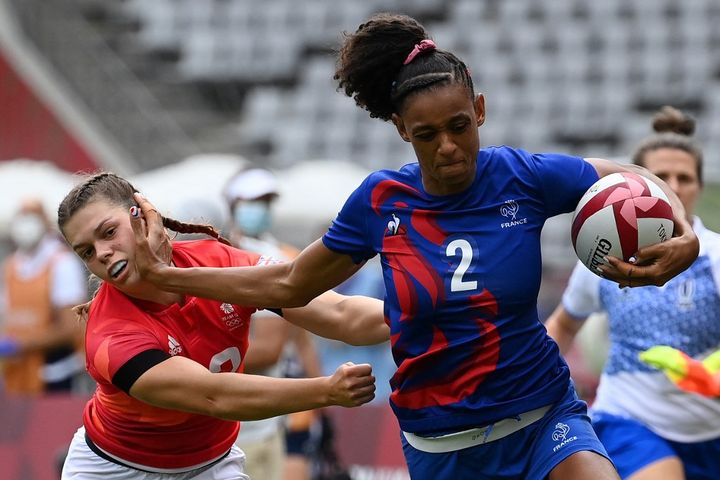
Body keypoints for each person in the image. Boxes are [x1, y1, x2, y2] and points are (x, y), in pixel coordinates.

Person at [128, 14, 700, 480]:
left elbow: (630, 176)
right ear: (402, 130)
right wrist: (170, 276)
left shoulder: (522, 176)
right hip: (442, 441)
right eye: (428, 135)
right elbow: (288, 284)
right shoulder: (381, 202)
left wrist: (686, 237)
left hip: (543, 415)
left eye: (459, 125)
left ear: (479, 110)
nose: (448, 146)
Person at [55, 172, 387, 479]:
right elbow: (215, 396)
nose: (102, 253)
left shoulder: (219, 261)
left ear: (141, 213)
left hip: (210, 464)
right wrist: (326, 390)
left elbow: (341, 314)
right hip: (116, 469)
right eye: (86, 251)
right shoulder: (109, 334)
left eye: (108, 232)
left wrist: (423, 313)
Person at [544, 106, 720, 480]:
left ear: (699, 187)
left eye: (684, 177)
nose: (674, 186)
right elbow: (563, 324)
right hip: (628, 421)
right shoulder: (602, 254)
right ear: (640, 182)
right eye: (662, 176)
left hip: (710, 429)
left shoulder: (715, 256)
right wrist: (530, 383)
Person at [222, 166, 323, 480]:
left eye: (267, 202)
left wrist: (191, 363)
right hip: (225, 417)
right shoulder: (216, 255)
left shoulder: (277, 258)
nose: (261, 210)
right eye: (254, 201)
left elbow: (282, 345)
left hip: (270, 409)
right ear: (233, 205)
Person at [0, 198, 89, 394]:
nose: (26, 224)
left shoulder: (61, 263)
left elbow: (71, 327)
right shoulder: (11, 266)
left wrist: (22, 344)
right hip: (18, 374)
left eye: (31, 216)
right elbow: (9, 317)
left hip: (55, 373)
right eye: (22, 216)